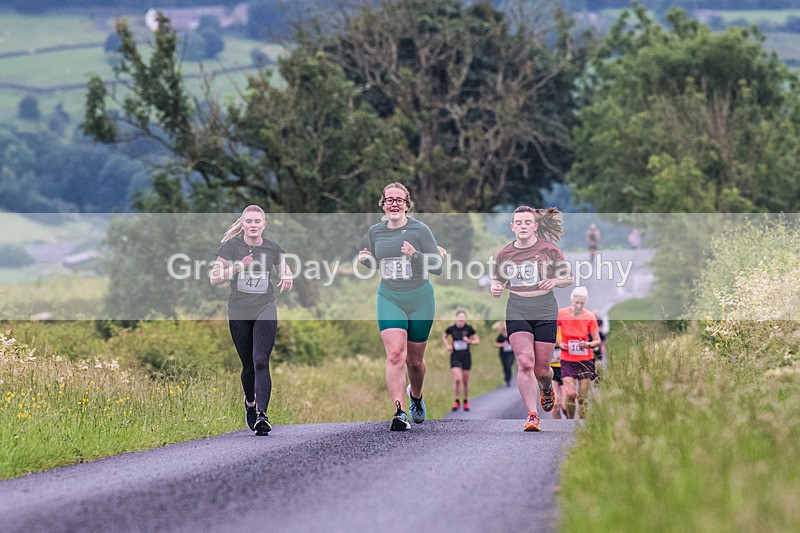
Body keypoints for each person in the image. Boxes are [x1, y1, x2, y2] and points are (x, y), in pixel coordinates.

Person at [357, 182, 443, 431]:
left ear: (407, 204)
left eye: (399, 200)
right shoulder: (375, 231)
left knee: (415, 362)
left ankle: (416, 395)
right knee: (395, 354)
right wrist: (367, 261)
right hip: (390, 297)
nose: (394, 204)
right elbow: (378, 263)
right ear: (382, 204)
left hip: (420, 299)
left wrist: (415, 254)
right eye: (389, 200)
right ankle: (399, 411)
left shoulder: (420, 230)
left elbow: (438, 266)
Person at [210, 205, 294, 436]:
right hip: (238, 310)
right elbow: (214, 278)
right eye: (249, 221)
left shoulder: (272, 247)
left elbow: (284, 269)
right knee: (248, 366)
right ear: (243, 224)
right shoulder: (231, 246)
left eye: (258, 221)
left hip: (265, 306)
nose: (253, 225)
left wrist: (287, 276)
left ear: (264, 224)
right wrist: (239, 266)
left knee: (260, 361)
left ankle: (262, 416)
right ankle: (250, 402)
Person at [491, 206, 574, 431]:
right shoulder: (505, 254)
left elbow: (568, 278)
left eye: (528, 222)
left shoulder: (549, 249)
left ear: (535, 226)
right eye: (519, 223)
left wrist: (554, 281)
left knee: (542, 370)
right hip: (517, 308)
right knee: (525, 362)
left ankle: (546, 387)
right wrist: (495, 287)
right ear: (512, 227)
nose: (523, 226)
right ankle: (532, 415)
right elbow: (497, 280)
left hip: (545, 308)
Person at [557, 287, 600, 419]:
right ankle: (570, 421)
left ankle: (582, 424)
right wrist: (559, 343)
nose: (579, 306)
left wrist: (587, 344)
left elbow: (597, 341)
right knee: (570, 394)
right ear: (572, 300)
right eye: (577, 302)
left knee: (582, 398)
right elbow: (551, 332)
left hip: (585, 360)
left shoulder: (589, 316)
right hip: (567, 359)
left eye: (582, 303)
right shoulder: (561, 314)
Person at [443, 310, 479, 411]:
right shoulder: (451, 328)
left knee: (465, 381)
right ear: (456, 318)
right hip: (455, 355)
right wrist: (447, 346)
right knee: (457, 379)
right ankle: (456, 400)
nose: (461, 319)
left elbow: (477, 341)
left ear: (465, 319)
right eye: (459, 317)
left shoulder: (469, 328)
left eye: (463, 317)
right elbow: (444, 336)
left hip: (466, 356)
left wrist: (469, 341)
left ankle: (465, 401)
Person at [494, 321, 515, 387]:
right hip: (503, 354)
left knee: (509, 365)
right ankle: (507, 379)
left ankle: (508, 378)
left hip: (511, 353)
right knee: (505, 366)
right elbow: (496, 344)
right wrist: (502, 344)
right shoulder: (500, 336)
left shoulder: (511, 334)